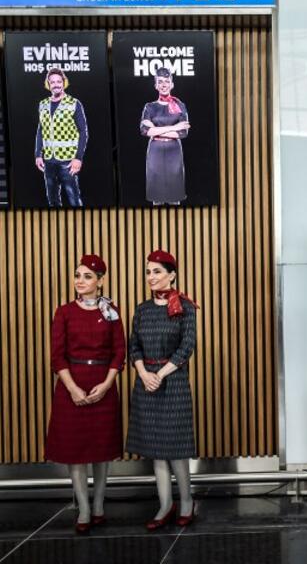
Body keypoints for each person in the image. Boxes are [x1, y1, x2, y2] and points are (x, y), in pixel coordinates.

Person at [44, 255, 125, 533]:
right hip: (71, 386)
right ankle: (84, 509)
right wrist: (73, 388)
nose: (80, 281)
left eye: (88, 276)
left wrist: (106, 384)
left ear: (100, 281)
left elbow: (119, 352)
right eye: (77, 275)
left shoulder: (111, 311)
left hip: (103, 384)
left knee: (101, 451)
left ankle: (100, 505)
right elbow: (57, 357)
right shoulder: (64, 312)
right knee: (75, 452)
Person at [126, 249, 198, 529]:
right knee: (155, 448)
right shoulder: (142, 310)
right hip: (146, 382)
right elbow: (134, 346)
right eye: (147, 271)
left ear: (172, 275)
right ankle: (165, 505)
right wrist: (144, 373)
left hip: (174, 381)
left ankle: (187, 502)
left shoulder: (185, 307)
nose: (150, 276)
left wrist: (161, 373)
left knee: (177, 447)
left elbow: (187, 347)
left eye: (156, 271)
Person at [35, 68, 87, 207]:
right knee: (52, 200)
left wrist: (78, 158)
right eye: (52, 82)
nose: (56, 84)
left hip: (67, 161)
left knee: (73, 199)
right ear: (48, 84)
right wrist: (38, 154)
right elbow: (41, 130)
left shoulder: (74, 103)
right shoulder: (43, 104)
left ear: (64, 83)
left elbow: (83, 132)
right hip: (48, 162)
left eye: (59, 81)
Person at [139, 68, 190, 205]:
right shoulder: (149, 107)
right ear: (156, 85)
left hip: (174, 151)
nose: (163, 84)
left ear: (171, 84)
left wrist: (155, 129)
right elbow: (145, 131)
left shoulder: (180, 105)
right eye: (160, 82)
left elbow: (183, 132)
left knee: (175, 195)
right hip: (155, 150)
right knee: (157, 196)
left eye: (167, 81)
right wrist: (174, 127)